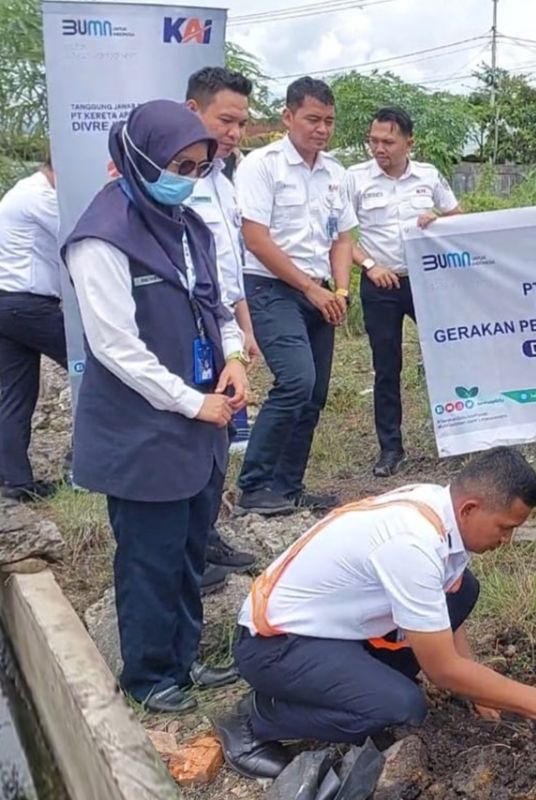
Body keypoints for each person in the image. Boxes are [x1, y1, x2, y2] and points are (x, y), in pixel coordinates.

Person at [216, 447, 536, 779]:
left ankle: (349, 686)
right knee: (400, 707)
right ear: (470, 508)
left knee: (463, 590)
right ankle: (255, 719)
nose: (508, 540)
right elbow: (443, 670)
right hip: (275, 647)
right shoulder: (412, 543)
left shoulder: (443, 511)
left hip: (334, 631)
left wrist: (479, 687)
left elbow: (451, 612)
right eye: (505, 527)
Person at [62, 100, 250, 713]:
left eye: (200, 166)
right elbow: (116, 347)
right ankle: (148, 676)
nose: (190, 178)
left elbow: (214, 304)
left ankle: (185, 658)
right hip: (144, 427)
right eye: (178, 164)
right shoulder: (102, 237)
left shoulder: (188, 222)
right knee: (150, 556)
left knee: (191, 547)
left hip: (199, 417)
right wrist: (190, 403)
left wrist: (233, 359)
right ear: (139, 158)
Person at [233, 77, 356, 516]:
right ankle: (252, 487)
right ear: (288, 117)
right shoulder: (261, 165)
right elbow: (256, 238)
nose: (321, 129)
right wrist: (309, 288)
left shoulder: (336, 174)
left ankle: (287, 486)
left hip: (320, 291)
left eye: (328, 121)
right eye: (312, 119)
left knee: (316, 392)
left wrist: (339, 290)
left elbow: (342, 239)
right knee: (295, 381)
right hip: (271, 287)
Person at [345, 106, 462, 478]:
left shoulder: (428, 176)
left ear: (408, 142)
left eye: (388, 141)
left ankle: (460, 435)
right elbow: (342, 238)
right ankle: (390, 449)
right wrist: (369, 266)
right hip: (380, 282)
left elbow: (459, 218)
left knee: (447, 356)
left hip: (427, 282)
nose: (379, 148)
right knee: (386, 366)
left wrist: (438, 220)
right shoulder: (354, 179)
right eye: (374, 141)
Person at [184, 66, 260, 585]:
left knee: (220, 439)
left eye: (240, 123)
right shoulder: (174, 183)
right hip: (186, 330)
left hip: (223, 327)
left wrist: (243, 329)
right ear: (193, 112)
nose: (233, 133)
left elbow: (227, 268)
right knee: (192, 437)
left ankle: (205, 538)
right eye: (225, 120)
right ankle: (190, 549)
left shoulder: (224, 181)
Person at [0, 158, 67, 502]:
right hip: (28, 305)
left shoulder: (24, 191)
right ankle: (83, 462)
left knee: (14, 394)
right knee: (98, 365)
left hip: (9, 304)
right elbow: (76, 231)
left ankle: (15, 481)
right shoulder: (40, 196)